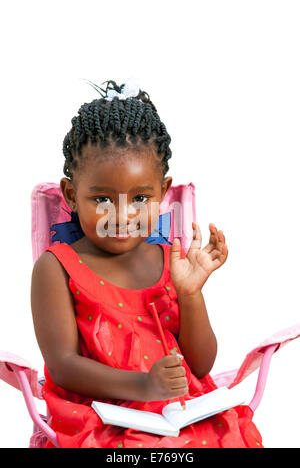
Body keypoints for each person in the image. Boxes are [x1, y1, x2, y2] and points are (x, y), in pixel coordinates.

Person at [30, 77, 263, 448]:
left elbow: (200, 366)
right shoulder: (56, 267)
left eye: (140, 197)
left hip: (180, 412)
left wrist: (190, 294)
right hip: (102, 412)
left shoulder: (168, 258)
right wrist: (143, 385)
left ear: (163, 192)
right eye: (102, 199)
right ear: (72, 195)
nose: (123, 215)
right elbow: (62, 365)